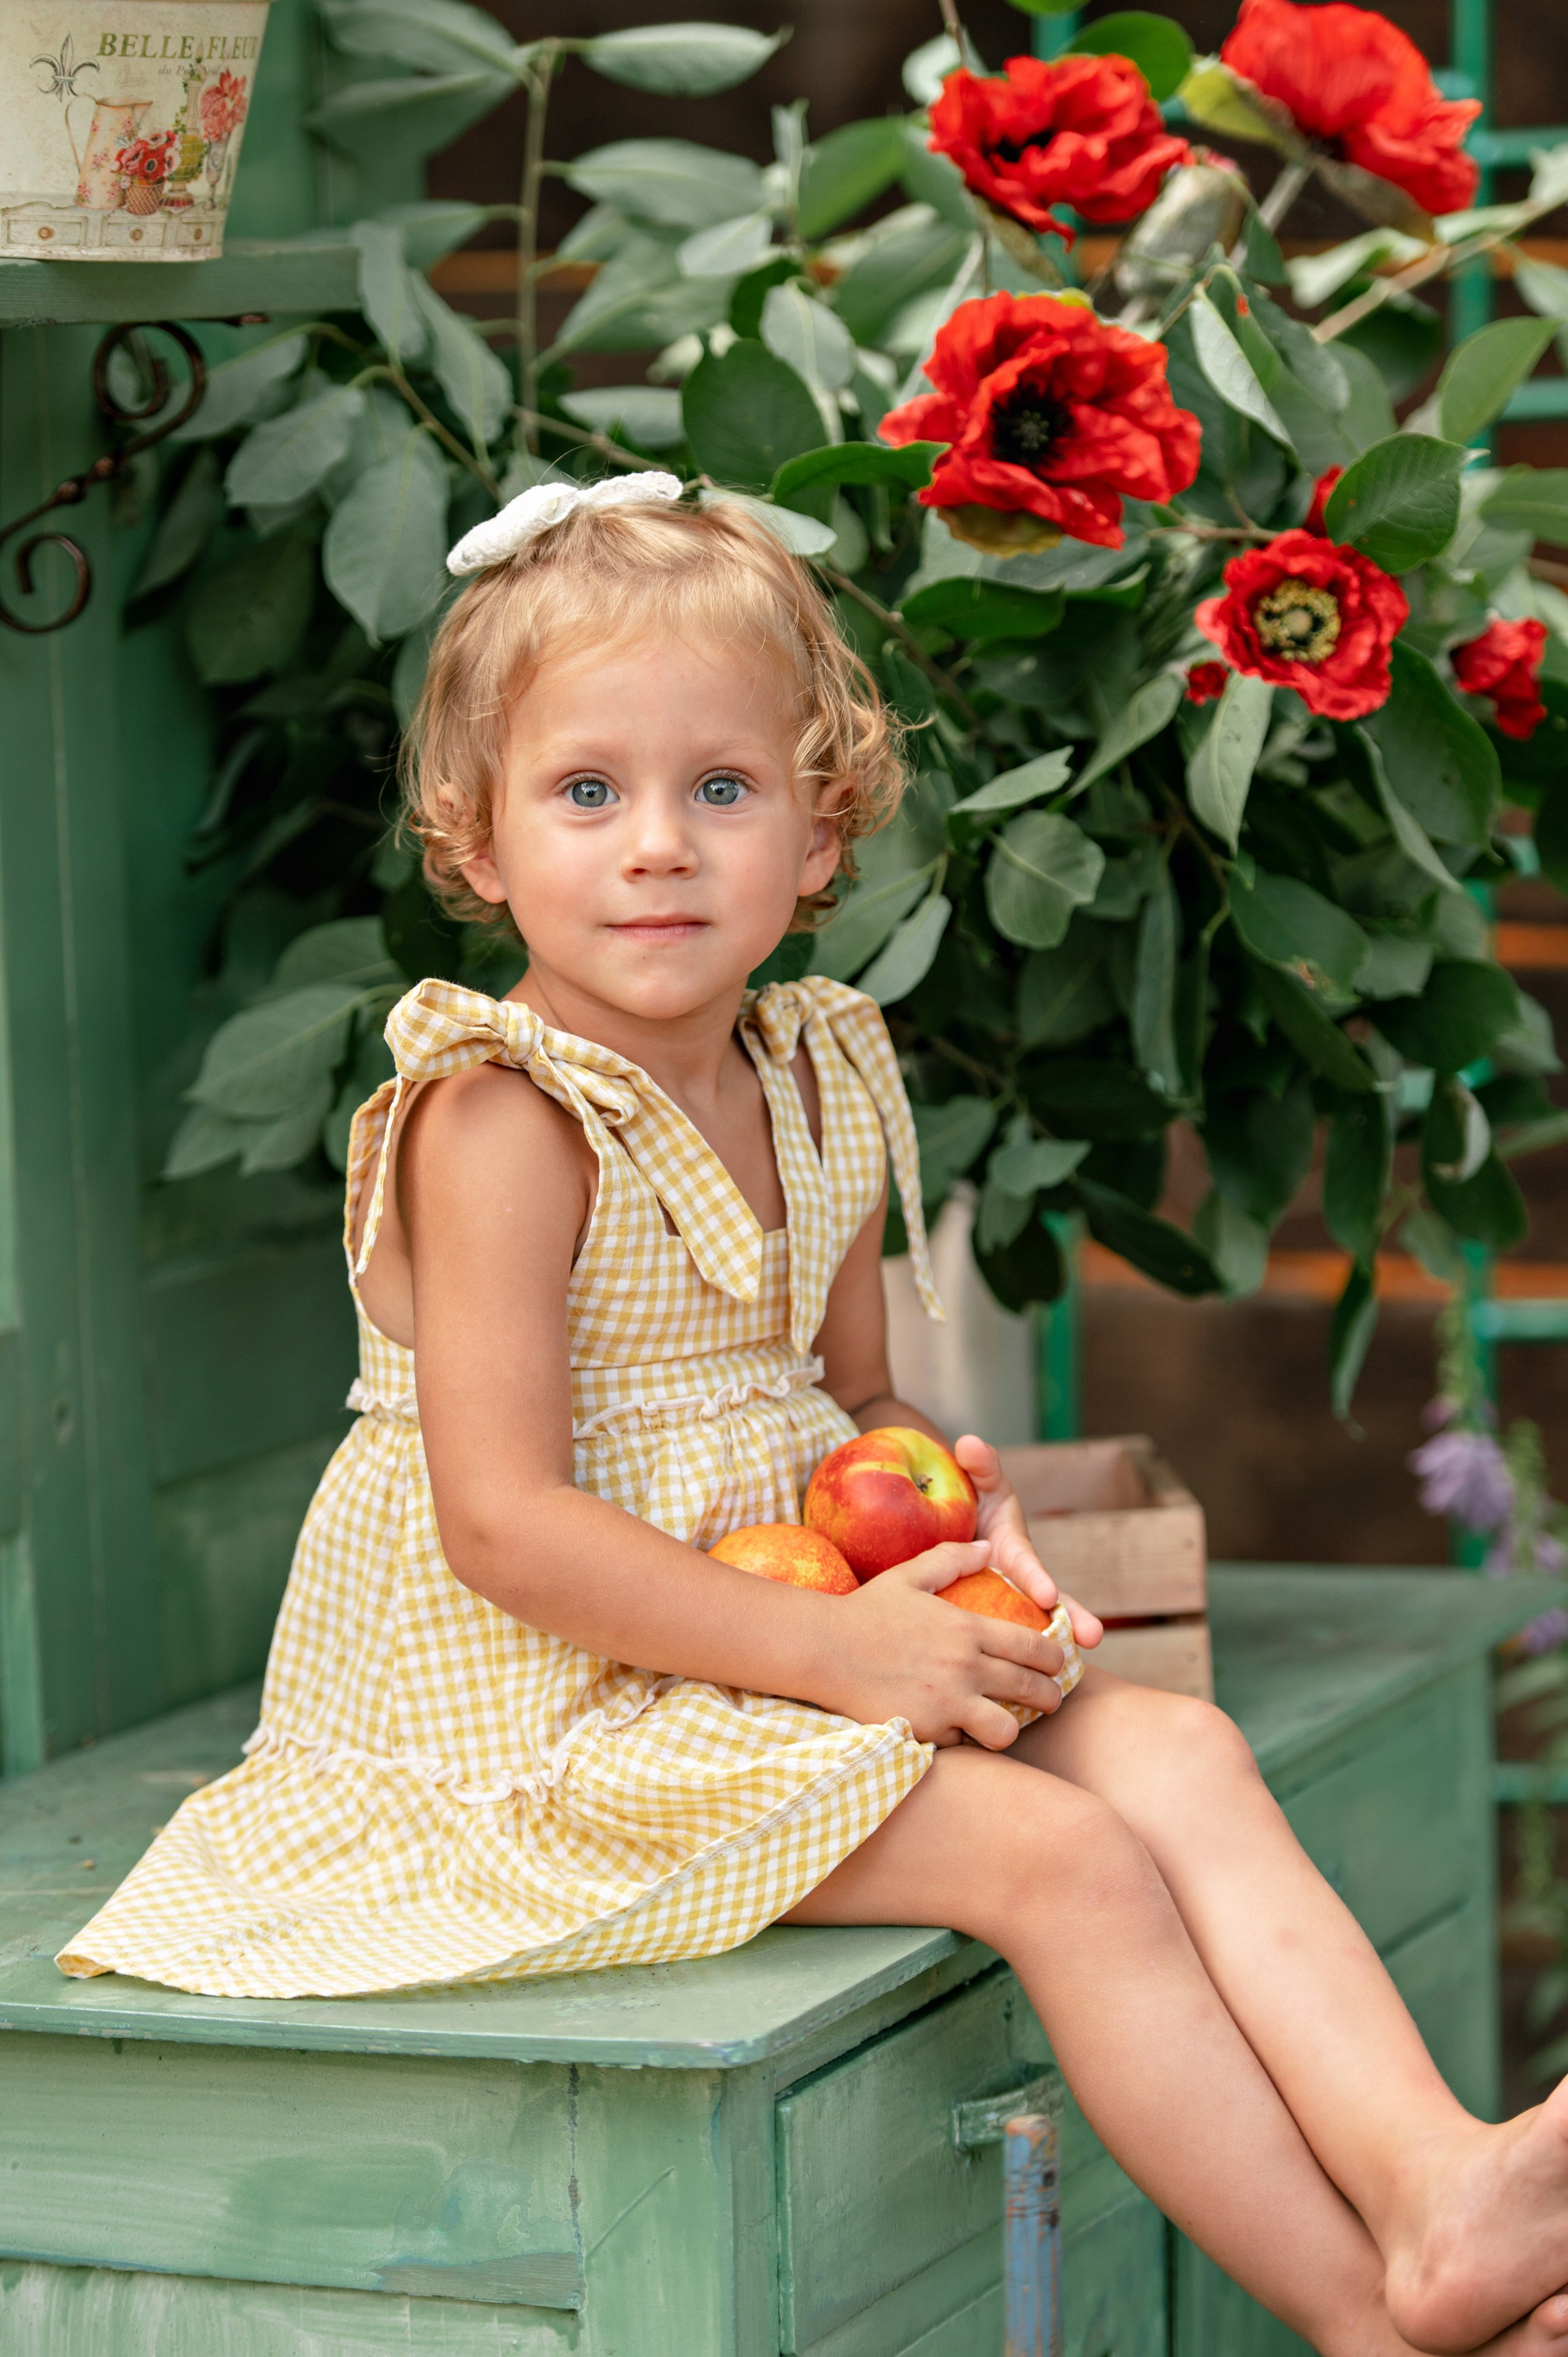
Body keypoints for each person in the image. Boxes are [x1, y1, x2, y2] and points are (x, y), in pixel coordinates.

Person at [61, 474, 1568, 2357]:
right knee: (1063, 1859)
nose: (657, 850)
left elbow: (849, 1402)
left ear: (821, 822)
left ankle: (1434, 2186)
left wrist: (955, 1530)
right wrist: (841, 1651)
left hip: (777, 1645)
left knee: (1176, 1754)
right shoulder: (502, 1120)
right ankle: (1368, 2312)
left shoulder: (822, 1070)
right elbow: (504, 1527)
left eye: (722, 789)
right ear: (477, 834)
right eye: (586, 792)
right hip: (528, 1728)